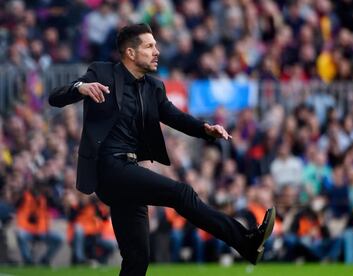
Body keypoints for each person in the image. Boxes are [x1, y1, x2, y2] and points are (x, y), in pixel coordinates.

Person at [49, 23, 275, 275]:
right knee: (181, 193)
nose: (157, 51)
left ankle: (246, 243)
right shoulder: (100, 72)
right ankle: (246, 241)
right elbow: (55, 97)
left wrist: (204, 129)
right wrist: (80, 88)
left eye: (156, 45)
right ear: (130, 53)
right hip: (107, 168)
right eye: (149, 46)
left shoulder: (153, 87)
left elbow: (175, 117)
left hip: (128, 172)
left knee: (137, 259)